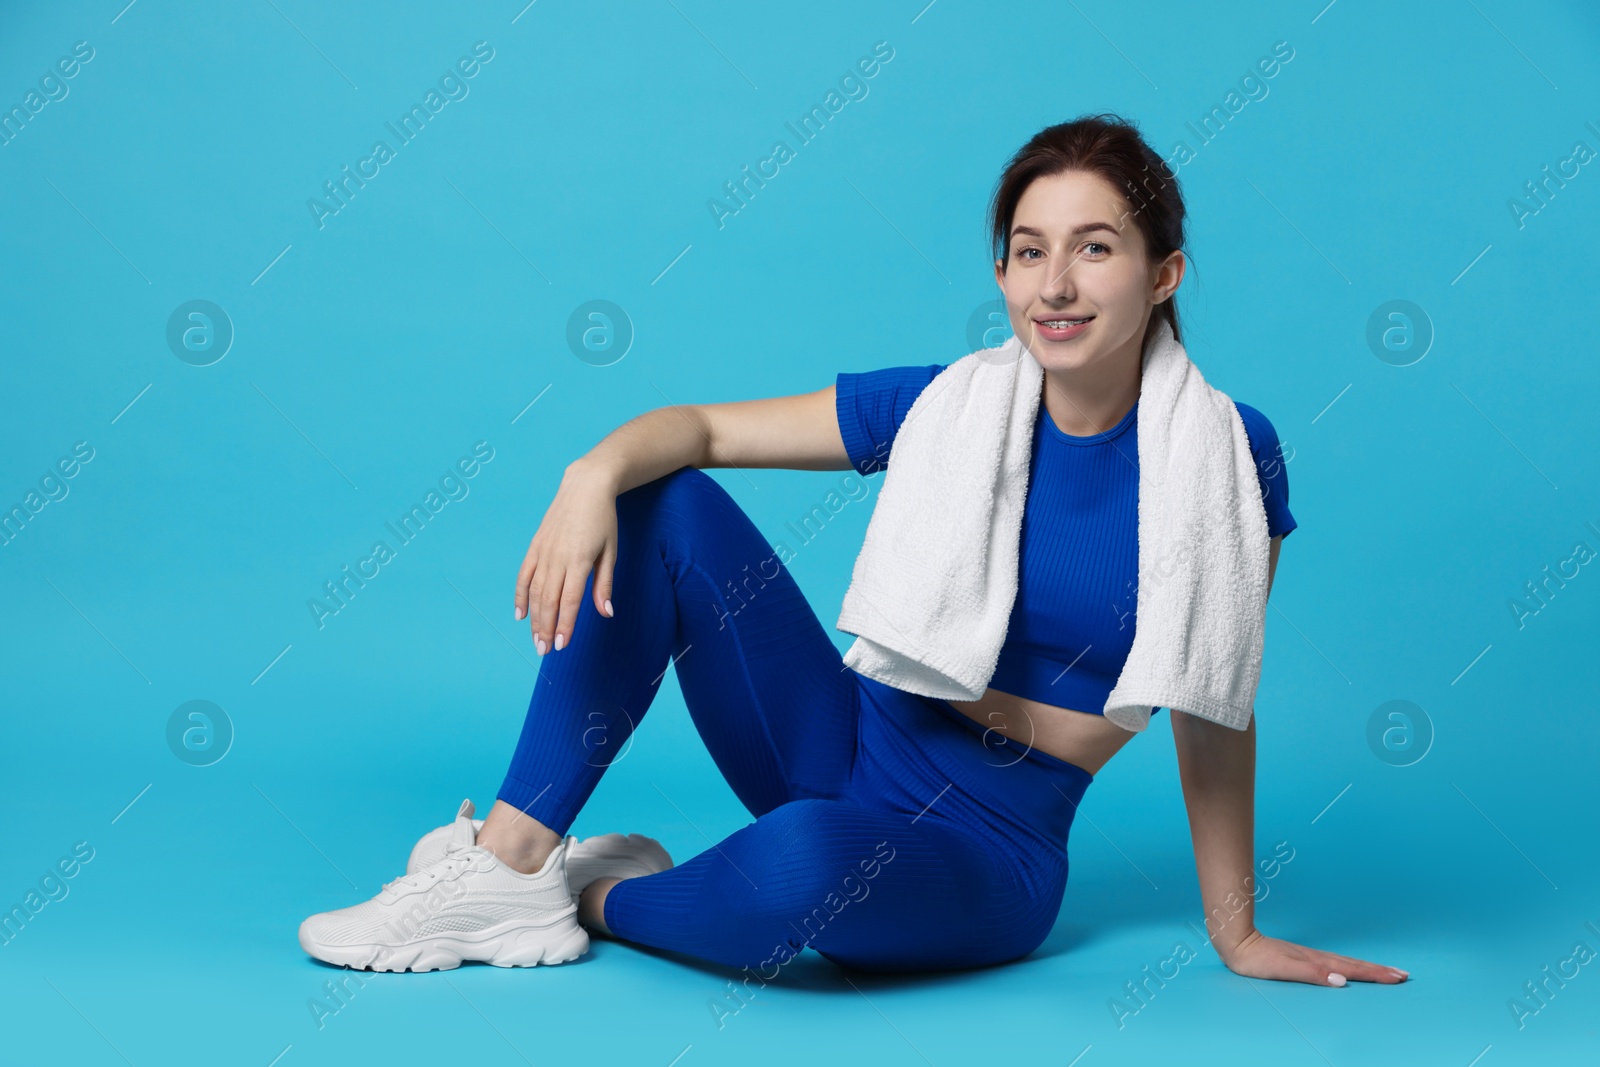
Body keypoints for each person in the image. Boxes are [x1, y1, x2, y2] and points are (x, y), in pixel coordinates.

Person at [299, 113, 1408, 986]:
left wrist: (1236, 931)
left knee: (811, 864)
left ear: (1162, 272)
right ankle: (506, 864)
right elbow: (704, 431)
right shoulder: (948, 407)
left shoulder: (1225, 456)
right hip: (840, 737)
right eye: (1028, 252)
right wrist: (588, 473)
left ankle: (588, 895)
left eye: (1094, 248)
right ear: (1003, 272)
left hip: (993, 842)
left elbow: (1214, 697)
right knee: (661, 502)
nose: (1054, 285)